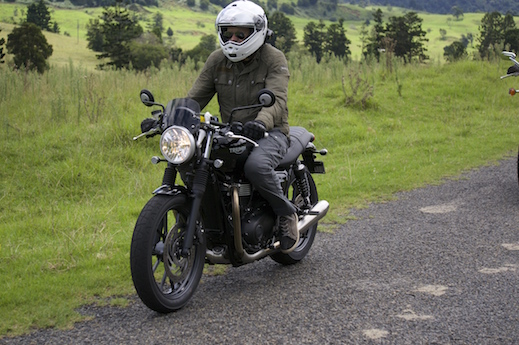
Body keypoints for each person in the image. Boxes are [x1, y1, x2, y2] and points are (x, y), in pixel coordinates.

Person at [186, 0, 299, 253]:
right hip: (231, 133)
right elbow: (195, 98)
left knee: (256, 166)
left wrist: (260, 122)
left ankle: (286, 212)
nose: (233, 39)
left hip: (271, 132)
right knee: (194, 162)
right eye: (228, 33)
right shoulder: (217, 60)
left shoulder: (273, 58)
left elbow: (277, 100)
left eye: (241, 34)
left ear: (257, 32)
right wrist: (174, 116)